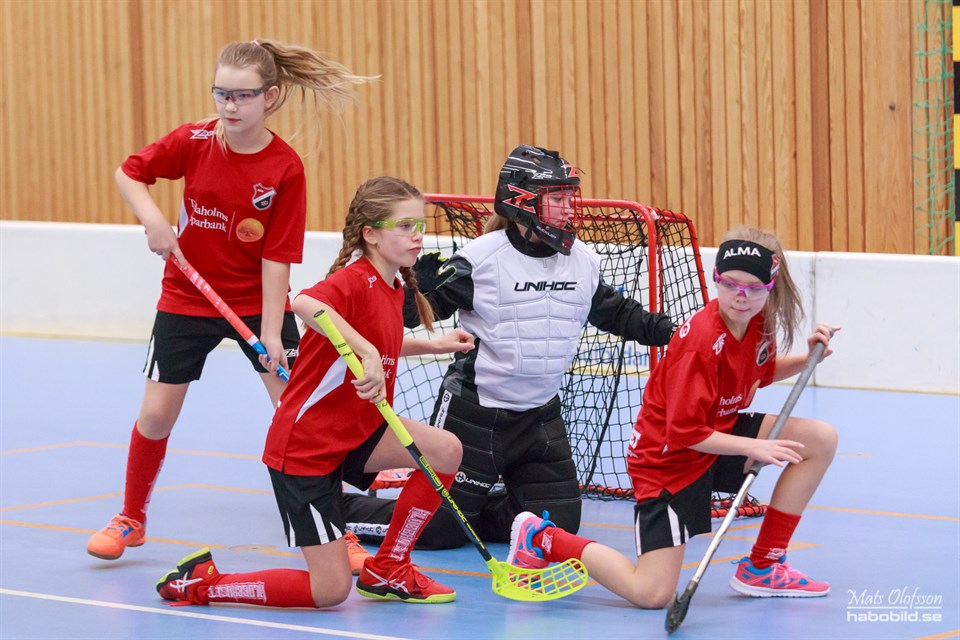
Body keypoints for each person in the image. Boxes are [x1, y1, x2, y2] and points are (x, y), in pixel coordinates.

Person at [87, 39, 374, 562]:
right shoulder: (194, 140)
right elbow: (129, 172)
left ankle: (337, 533)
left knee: (299, 420)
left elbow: (277, 256)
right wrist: (153, 220)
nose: (229, 106)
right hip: (186, 294)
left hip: (257, 302)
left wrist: (270, 331)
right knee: (156, 415)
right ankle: (131, 517)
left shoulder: (284, 166)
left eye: (242, 96)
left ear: (270, 96)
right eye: (221, 93)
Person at [155, 176, 475, 608]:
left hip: (356, 430)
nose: (417, 236)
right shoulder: (353, 278)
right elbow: (305, 302)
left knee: (445, 450)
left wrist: (430, 345)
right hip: (307, 449)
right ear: (371, 234)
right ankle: (203, 584)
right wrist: (365, 350)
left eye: (419, 225)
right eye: (404, 226)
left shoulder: (393, 284)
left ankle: (390, 566)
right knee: (330, 590)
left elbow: (379, 340)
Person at [342, 144, 675, 550]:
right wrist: (410, 283)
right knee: (438, 530)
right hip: (474, 415)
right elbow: (415, 315)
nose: (569, 208)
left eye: (570, 197)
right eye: (557, 198)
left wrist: (680, 333)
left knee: (556, 525)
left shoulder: (583, 260)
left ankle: (467, 515)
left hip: (539, 419)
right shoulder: (481, 258)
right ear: (522, 202)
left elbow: (619, 314)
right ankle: (337, 510)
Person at [506, 226, 840, 607]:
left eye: (753, 288)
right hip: (668, 461)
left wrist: (807, 358)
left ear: (770, 286)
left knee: (820, 439)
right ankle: (542, 537)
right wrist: (753, 447)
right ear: (716, 279)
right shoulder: (701, 341)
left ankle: (764, 564)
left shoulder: (757, 321)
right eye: (731, 284)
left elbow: (757, 373)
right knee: (651, 593)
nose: (741, 296)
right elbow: (683, 432)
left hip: (716, 437)